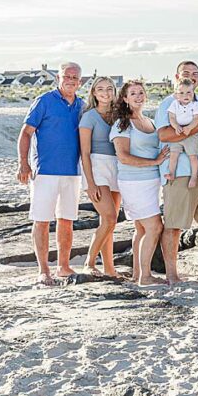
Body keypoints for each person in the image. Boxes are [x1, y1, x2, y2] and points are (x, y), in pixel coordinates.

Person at [16, 62, 84, 285]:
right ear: (58, 78)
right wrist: (23, 164)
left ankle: (63, 266)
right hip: (44, 171)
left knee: (67, 220)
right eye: (67, 76)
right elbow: (25, 134)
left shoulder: (82, 106)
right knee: (42, 220)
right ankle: (44, 270)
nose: (70, 80)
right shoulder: (44, 101)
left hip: (72, 172)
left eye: (75, 77)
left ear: (80, 82)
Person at [155, 61, 198, 281]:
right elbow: (163, 135)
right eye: (186, 74)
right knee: (174, 224)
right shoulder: (169, 103)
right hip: (180, 172)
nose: (191, 77)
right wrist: (194, 128)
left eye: (195, 74)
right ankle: (172, 274)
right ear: (176, 77)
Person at [110, 80, 170, 286]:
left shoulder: (150, 122)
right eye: (133, 93)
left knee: (142, 229)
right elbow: (124, 157)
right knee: (155, 227)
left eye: (141, 92)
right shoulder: (122, 124)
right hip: (134, 182)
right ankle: (146, 276)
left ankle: (137, 274)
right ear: (125, 99)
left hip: (152, 182)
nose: (138, 96)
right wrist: (154, 161)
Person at [78, 75, 122, 278]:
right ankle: (89, 262)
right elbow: (84, 153)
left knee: (110, 223)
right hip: (96, 167)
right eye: (101, 89)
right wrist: (91, 183)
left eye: (110, 89)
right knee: (109, 217)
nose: (106, 93)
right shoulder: (89, 117)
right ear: (94, 93)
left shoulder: (119, 115)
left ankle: (110, 269)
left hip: (116, 166)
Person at [165, 79, 198, 189]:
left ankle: (194, 176)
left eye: (189, 92)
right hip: (178, 133)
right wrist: (176, 126)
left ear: (193, 94)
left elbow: (197, 118)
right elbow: (171, 117)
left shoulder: (195, 105)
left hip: (191, 134)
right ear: (177, 95)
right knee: (173, 154)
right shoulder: (174, 104)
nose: (185, 95)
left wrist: (190, 128)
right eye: (182, 93)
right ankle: (172, 173)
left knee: (193, 156)